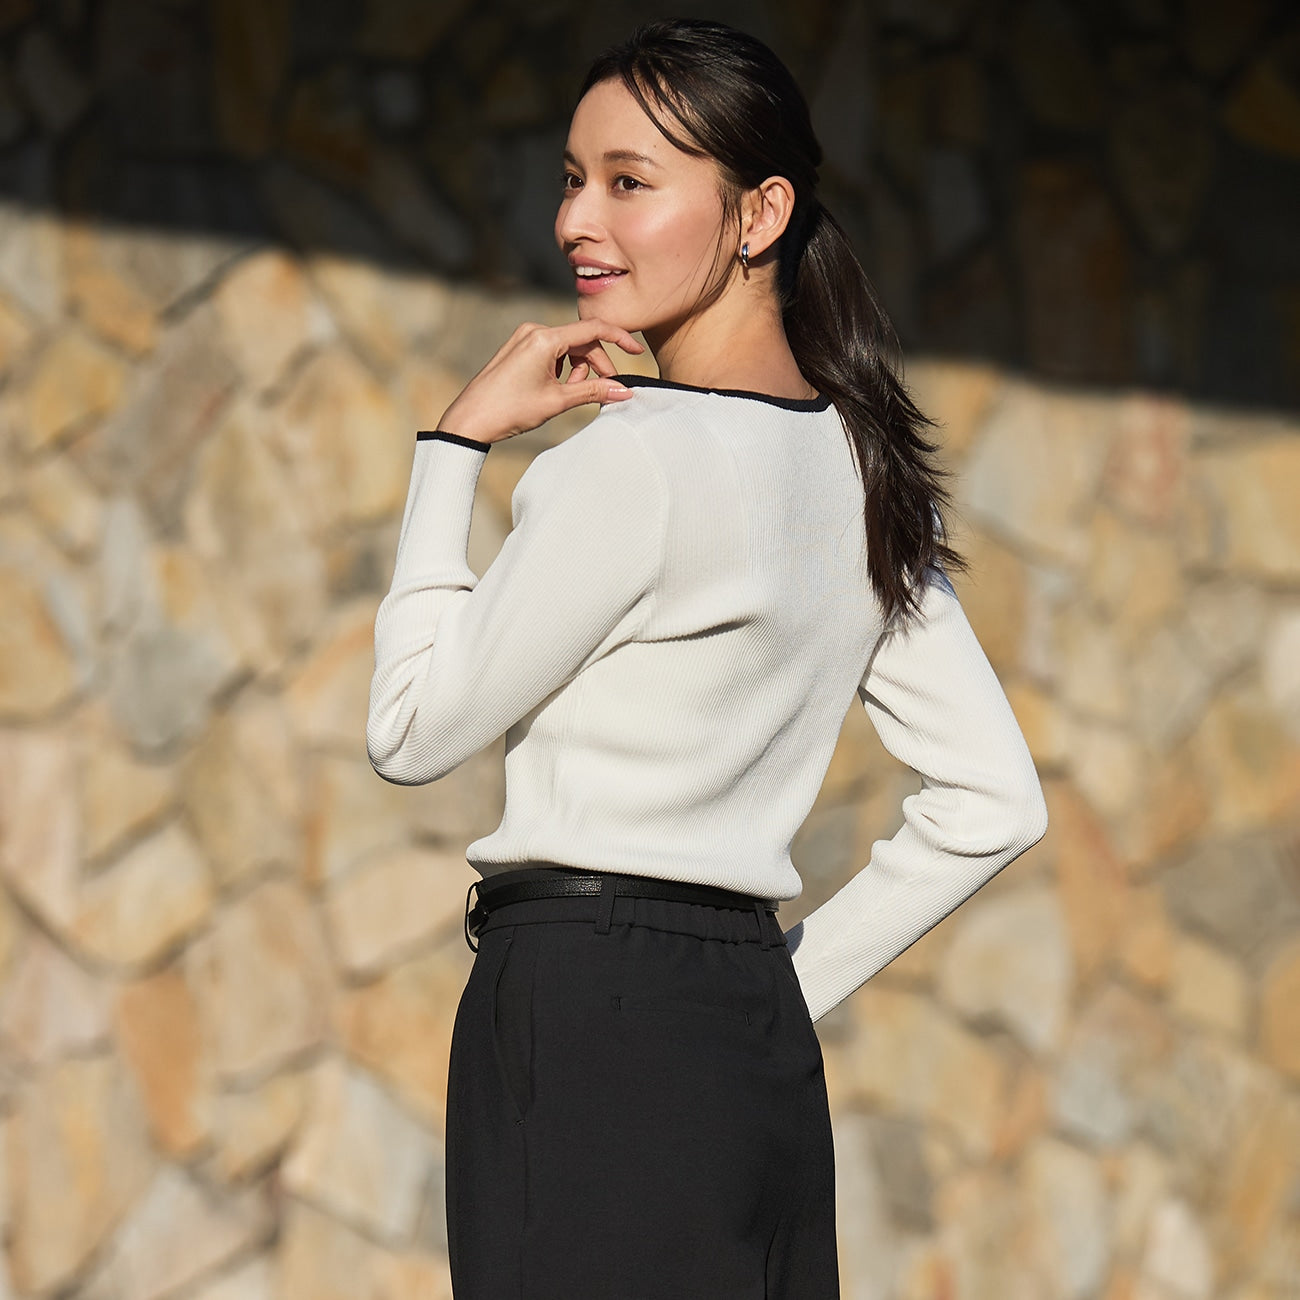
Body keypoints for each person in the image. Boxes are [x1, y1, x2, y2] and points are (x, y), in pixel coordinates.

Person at [366, 16, 1048, 1299]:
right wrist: (781, 986)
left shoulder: (633, 461)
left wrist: (452, 449)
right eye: (573, 177)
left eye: (629, 182)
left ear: (760, 213)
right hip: (750, 1045)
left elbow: (408, 730)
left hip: (581, 1020)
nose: (578, 220)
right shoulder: (861, 470)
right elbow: (995, 802)